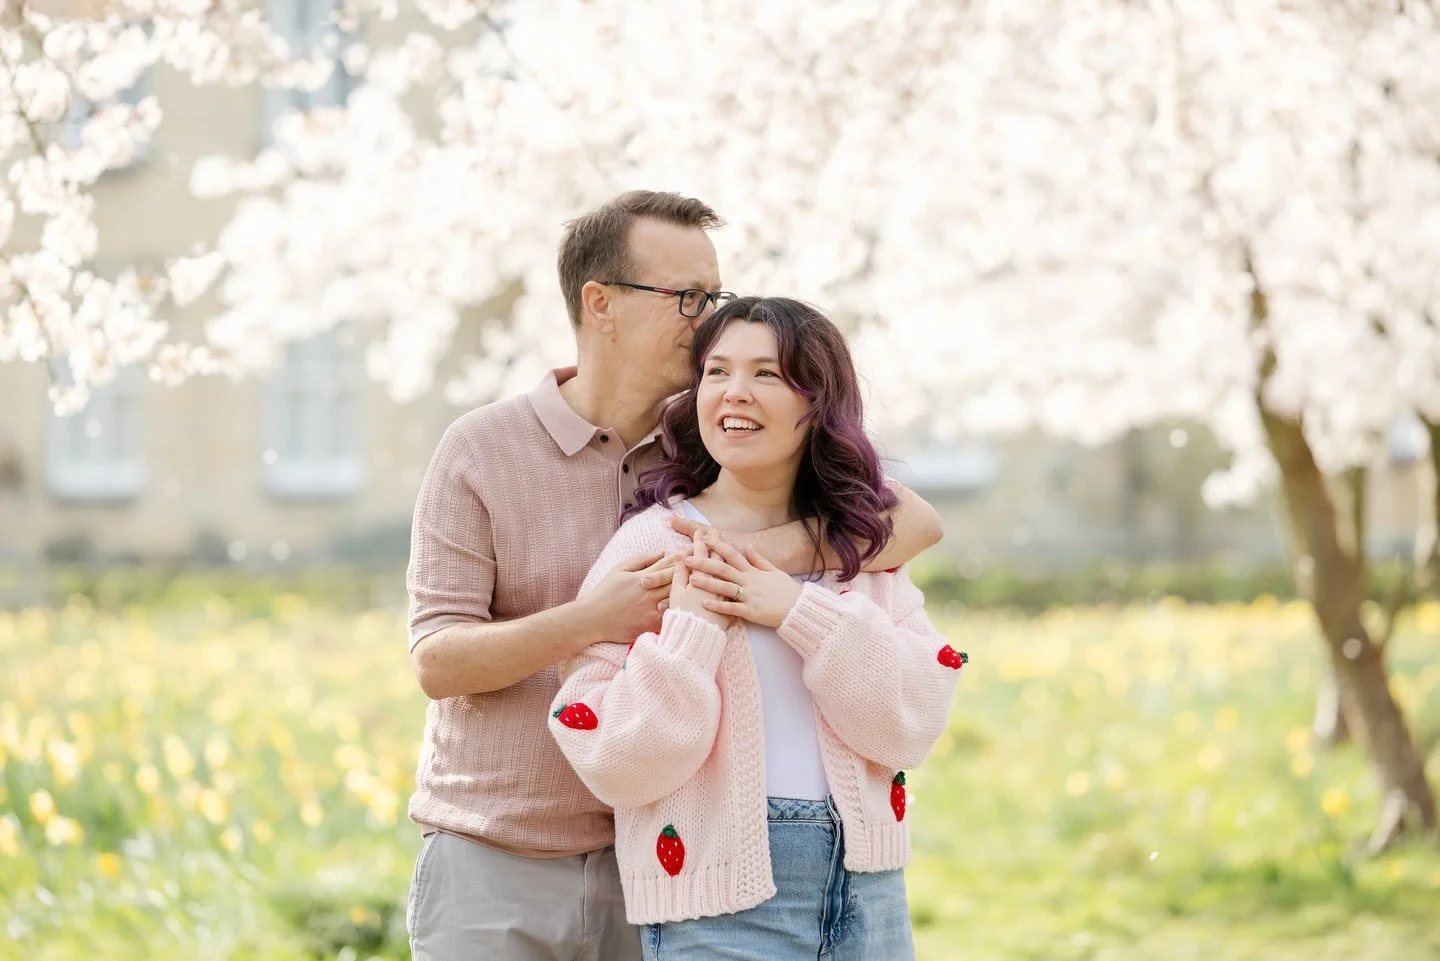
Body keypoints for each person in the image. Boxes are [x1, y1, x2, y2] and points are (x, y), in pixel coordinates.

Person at [405, 193, 945, 961]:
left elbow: (914, 521)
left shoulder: (713, 442)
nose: (707, 320)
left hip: (674, 859)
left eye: (714, 296)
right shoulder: (482, 449)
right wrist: (594, 618)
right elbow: (437, 660)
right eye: (687, 297)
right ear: (601, 305)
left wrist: (752, 565)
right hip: (503, 851)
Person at [548, 296, 963, 961]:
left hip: (870, 890)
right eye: (716, 372)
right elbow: (615, 758)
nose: (735, 393)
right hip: (718, 905)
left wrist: (796, 609)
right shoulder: (656, 543)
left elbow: (911, 723)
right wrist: (690, 632)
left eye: (768, 374)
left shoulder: (861, 553)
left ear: (817, 402)